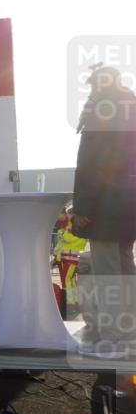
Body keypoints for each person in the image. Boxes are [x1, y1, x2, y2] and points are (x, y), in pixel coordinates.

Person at [72, 65, 136, 358]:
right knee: (125, 269)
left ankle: (115, 340)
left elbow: (92, 162)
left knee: (109, 274)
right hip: (128, 206)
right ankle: (130, 332)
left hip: (106, 207)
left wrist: (84, 206)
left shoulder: (102, 109)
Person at [53, 208, 87, 318]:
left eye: (68, 214)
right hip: (67, 256)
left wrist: (62, 233)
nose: (67, 217)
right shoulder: (69, 225)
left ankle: (71, 304)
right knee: (70, 281)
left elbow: (68, 238)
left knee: (68, 280)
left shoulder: (75, 226)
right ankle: (73, 302)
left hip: (72, 257)